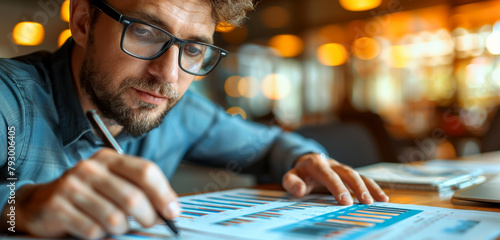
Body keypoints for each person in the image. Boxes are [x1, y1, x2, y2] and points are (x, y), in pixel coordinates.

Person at [0, 0, 389, 238]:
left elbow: (270, 143)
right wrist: (19, 207)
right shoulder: (10, 99)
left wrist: (306, 159)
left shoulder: (182, 113)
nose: (169, 75)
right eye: (145, 31)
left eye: (194, 48)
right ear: (84, 21)